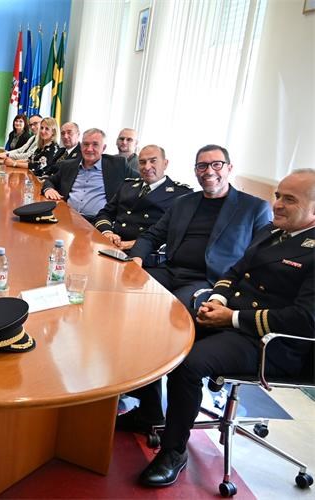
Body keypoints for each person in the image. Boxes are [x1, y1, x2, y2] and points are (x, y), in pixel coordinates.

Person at [137, 168, 315, 488]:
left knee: (189, 364)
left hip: (270, 343)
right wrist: (216, 300)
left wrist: (231, 317)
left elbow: (304, 319)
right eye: (278, 196)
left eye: (290, 199)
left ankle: (173, 452)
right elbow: (234, 271)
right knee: (160, 329)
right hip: (233, 318)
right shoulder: (272, 231)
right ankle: (149, 412)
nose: (277, 204)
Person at [118, 145, 271, 436]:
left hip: (210, 282)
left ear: (229, 167)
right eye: (202, 166)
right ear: (195, 171)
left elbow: (258, 259)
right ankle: (143, 398)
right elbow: (152, 235)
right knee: (123, 299)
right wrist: (136, 258)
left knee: (161, 319)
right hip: (170, 271)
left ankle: (150, 412)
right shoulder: (184, 202)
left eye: (216, 164)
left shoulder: (254, 208)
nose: (209, 171)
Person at [94, 145, 191, 250]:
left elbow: (174, 233)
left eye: (153, 161)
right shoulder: (127, 185)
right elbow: (105, 213)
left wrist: (133, 244)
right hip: (113, 244)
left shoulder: (181, 194)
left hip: (146, 252)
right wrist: (107, 232)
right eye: (142, 162)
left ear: (165, 163)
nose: (147, 167)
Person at [42, 128, 137, 222]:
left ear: (103, 148)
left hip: (97, 223)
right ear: (81, 146)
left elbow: (141, 180)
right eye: (86, 144)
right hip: (67, 218)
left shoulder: (117, 165)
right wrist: (48, 189)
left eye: (95, 144)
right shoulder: (69, 165)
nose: (89, 149)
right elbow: (50, 180)